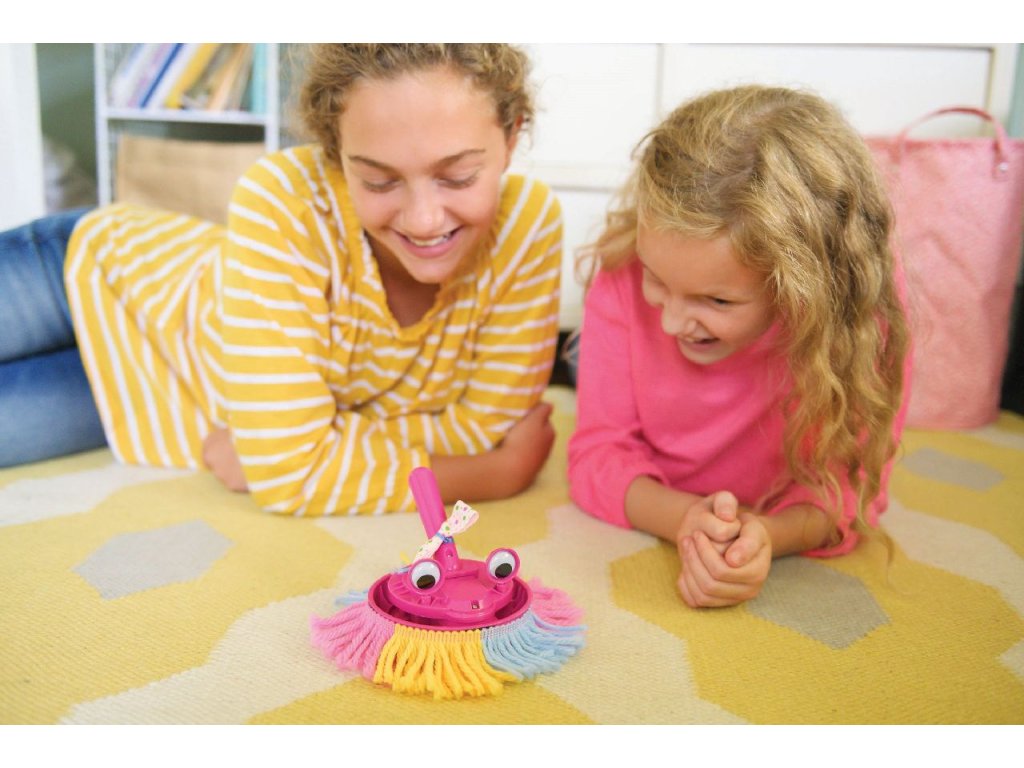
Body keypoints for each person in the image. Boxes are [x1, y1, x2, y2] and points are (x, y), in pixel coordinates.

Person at [0, 44, 563, 516]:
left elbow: (485, 427)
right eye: (377, 181)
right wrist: (494, 474)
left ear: (512, 137)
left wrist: (303, 444)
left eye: (458, 176)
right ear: (335, 154)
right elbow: (292, 469)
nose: (423, 219)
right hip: (98, 273)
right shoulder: (284, 198)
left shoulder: (528, 226)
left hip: (166, 397)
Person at [567, 85, 911, 608]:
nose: (672, 322)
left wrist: (769, 536)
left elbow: (852, 489)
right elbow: (597, 455)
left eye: (717, 301)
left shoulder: (859, 312)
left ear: (804, 288)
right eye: (657, 280)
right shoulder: (623, 269)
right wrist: (685, 520)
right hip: (665, 494)